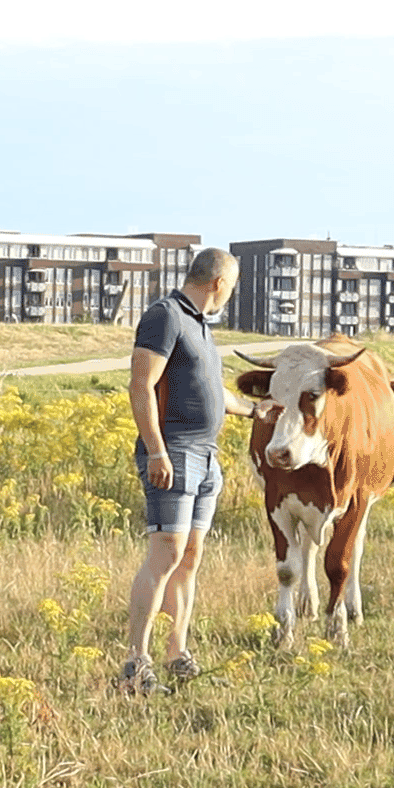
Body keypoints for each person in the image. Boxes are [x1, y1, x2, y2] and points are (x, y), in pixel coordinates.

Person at [117, 247, 255, 695]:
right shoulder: (165, 316)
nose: (228, 296)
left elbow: (213, 392)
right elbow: (141, 385)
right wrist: (156, 452)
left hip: (206, 457)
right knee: (167, 554)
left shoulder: (199, 325)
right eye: (230, 288)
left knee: (189, 558)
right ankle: (136, 664)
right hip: (174, 454)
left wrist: (254, 411)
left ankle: (178, 652)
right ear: (218, 283)